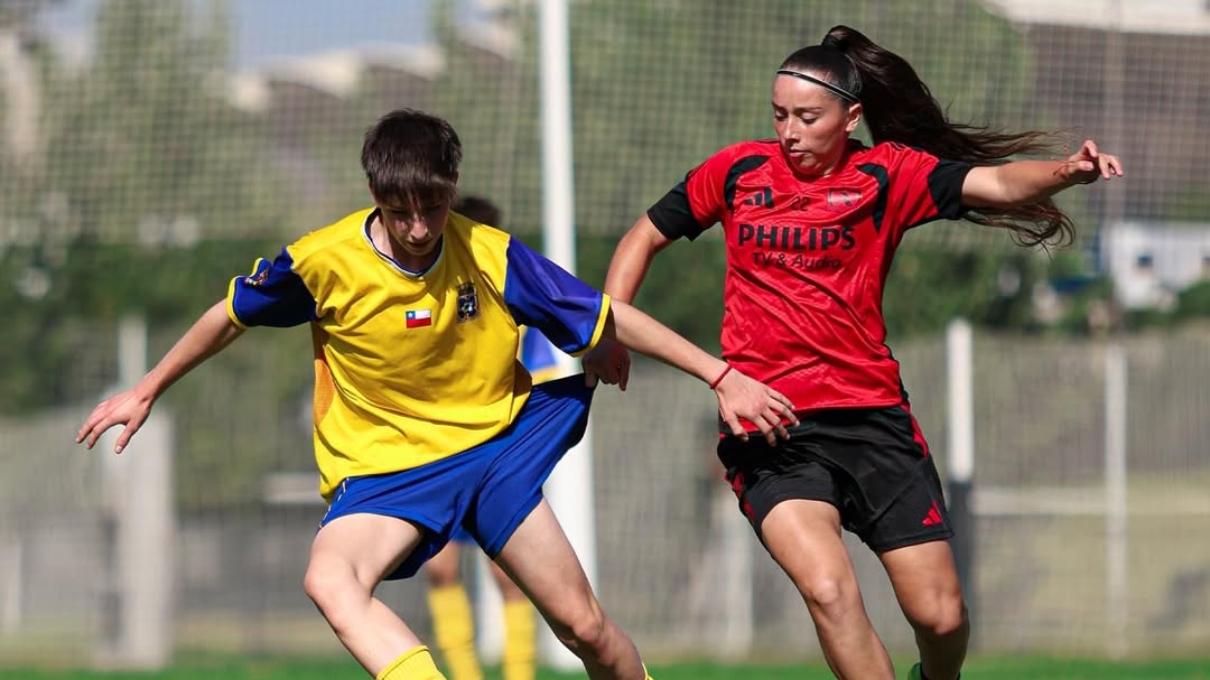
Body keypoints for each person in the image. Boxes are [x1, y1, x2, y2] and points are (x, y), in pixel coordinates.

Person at [75, 108, 798, 680]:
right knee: (330, 579)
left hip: (495, 454)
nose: (420, 229)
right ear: (375, 196)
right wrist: (148, 388)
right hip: (392, 473)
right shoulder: (321, 263)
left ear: (453, 186)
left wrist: (720, 374)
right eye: (401, 212)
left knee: (585, 630)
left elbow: (606, 315)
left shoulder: (488, 252)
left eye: (433, 207)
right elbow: (226, 317)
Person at [582, 26, 1122, 680]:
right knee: (830, 592)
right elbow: (642, 237)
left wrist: (1066, 173)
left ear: (850, 116)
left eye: (808, 117)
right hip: (771, 426)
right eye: (779, 115)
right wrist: (607, 333)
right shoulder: (735, 171)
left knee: (942, 617)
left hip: (873, 420)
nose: (790, 131)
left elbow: (1001, 186)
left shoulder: (888, 174)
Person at [421, 194, 554, 680]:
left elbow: (540, 371)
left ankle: (520, 674)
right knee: (440, 569)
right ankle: (465, 674)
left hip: (499, 455)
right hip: (439, 454)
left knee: (511, 575)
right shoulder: (428, 298)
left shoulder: (510, 296)